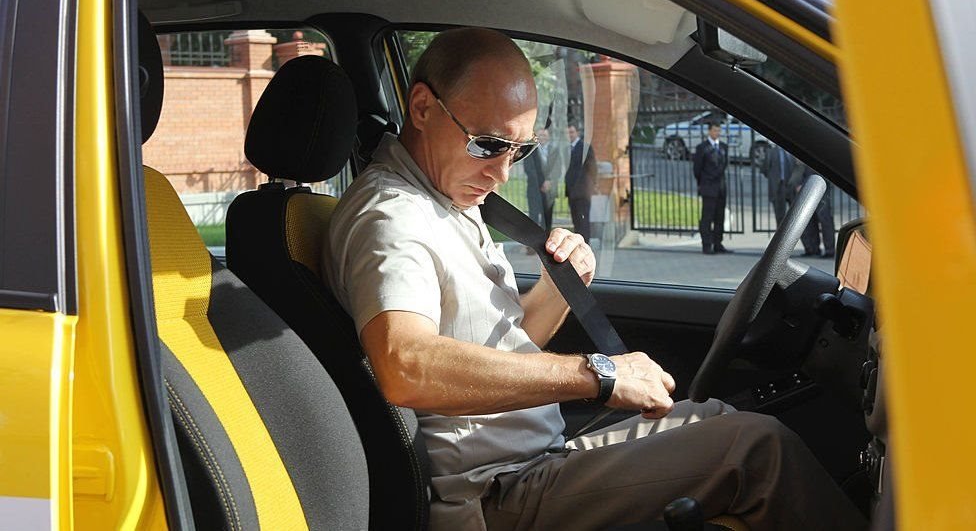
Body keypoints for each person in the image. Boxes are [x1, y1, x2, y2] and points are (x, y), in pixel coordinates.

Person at [325, 27, 865, 530]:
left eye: (520, 149)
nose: (503, 172)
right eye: (487, 144)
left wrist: (561, 286)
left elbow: (500, 348)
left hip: (535, 457)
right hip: (495, 493)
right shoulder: (391, 218)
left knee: (715, 418)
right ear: (423, 107)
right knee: (755, 449)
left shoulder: (444, 196)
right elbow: (405, 364)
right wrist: (598, 374)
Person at [692, 122, 732, 254]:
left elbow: (724, 165)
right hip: (708, 186)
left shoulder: (723, 147)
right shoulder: (702, 148)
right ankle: (707, 244)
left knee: (719, 217)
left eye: (719, 131)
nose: (717, 133)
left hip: (721, 187)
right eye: (715, 130)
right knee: (707, 217)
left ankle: (718, 243)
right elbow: (697, 169)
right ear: (709, 131)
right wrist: (703, 182)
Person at [564, 123, 597, 242]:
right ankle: (578, 245)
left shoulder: (585, 147)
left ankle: (585, 245)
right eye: (567, 133)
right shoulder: (567, 148)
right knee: (576, 221)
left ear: (577, 133)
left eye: (572, 132)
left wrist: (591, 186)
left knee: (583, 221)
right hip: (571, 192)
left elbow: (592, 168)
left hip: (583, 192)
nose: (569, 135)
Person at [760, 144, 805, 227]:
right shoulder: (771, 152)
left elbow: (800, 168)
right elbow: (764, 170)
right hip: (778, 188)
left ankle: (795, 231)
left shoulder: (793, 151)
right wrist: (774, 178)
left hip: (791, 186)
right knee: (780, 216)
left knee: (795, 214)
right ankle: (781, 233)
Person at [799, 165, 837, 258]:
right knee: (810, 220)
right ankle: (814, 249)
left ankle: (829, 250)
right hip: (808, 188)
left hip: (821, 189)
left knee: (825, 220)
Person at [524, 127, 555, 231]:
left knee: (547, 217)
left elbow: (557, 168)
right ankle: (533, 239)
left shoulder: (554, 151)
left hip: (549, 190)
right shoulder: (530, 151)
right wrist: (542, 183)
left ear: (548, 137)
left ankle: (546, 238)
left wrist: (550, 181)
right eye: (540, 135)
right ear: (536, 137)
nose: (543, 137)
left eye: (545, 135)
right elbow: (529, 169)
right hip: (534, 189)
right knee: (534, 216)